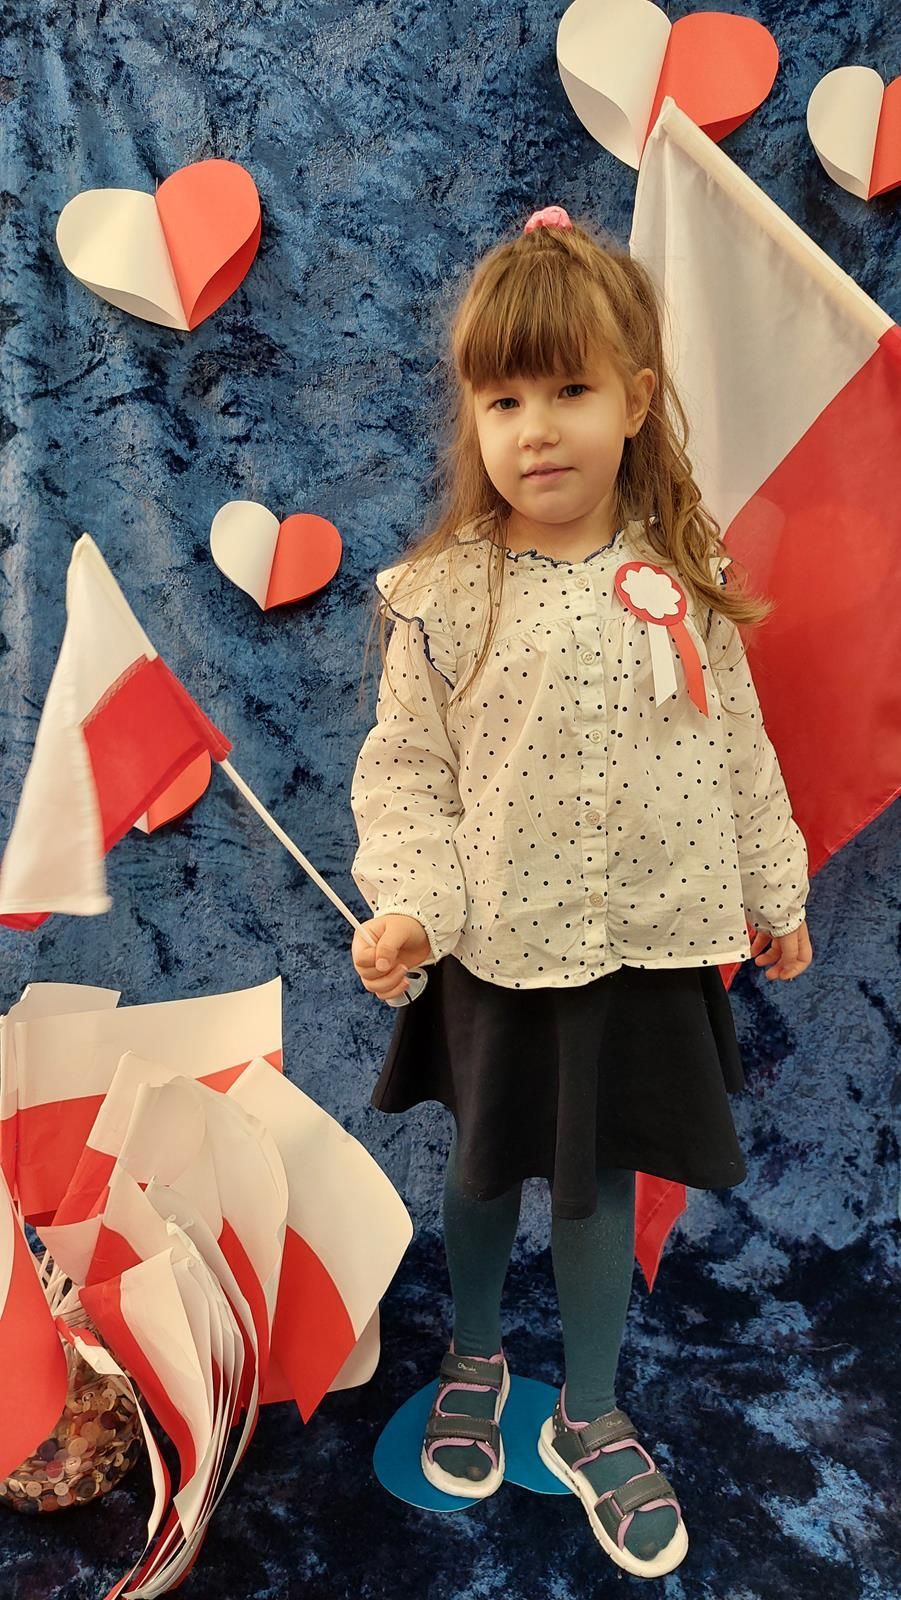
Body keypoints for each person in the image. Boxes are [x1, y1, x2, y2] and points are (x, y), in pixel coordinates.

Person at [348, 205, 813, 1580]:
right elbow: (407, 776)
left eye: (568, 390)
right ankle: (475, 1353)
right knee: (485, 1171)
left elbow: (738, 744)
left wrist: (772, 886)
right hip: (497, 950)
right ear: (473, 417)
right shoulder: (444, 596)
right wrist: (412, 907)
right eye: (504, 400)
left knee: (598, 1186)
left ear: (637, 401)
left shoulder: (684, 584)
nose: (536, 429)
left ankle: (591, 1410)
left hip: (644, 949)